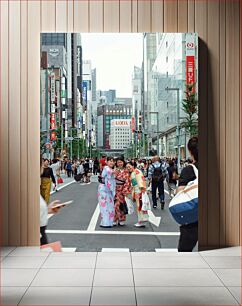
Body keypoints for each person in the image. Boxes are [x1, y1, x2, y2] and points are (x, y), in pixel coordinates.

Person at [176, 136, 198, 252]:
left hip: (192, 218)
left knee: (185, 251)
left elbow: (180, 193)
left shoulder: (189, 170)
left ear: (190, 151)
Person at [126, 162, 148, 227]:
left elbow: (140, 180)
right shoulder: (134, 172)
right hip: (137, 190)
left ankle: (141, 221)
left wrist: (142, 189)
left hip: (139, 190)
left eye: (129, 166)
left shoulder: (136, 172)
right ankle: (142, 220)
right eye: (127, 167)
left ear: (133, 166)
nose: (128, 168)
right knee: (140, 206)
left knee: (140, 206)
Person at [97, 157, 116, 228]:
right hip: (104, 189)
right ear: (106, 162)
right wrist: (114, 171)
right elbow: (110, 172)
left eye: (113, 161)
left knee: (110, 206)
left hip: (108, 190)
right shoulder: (106, 168)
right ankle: (105, 222)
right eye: (110, 161)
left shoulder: (110, 169)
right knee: (105, 206)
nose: (111, 162)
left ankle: (107, 222)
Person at [113, 157, 131, 226]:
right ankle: (115, 218)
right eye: (118, 162)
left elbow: (127, 181)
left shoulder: (126, 171)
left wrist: (125, 190)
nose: (119, 163)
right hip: (115, 189)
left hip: (122, 190)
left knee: (121, 205)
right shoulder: (115, 170)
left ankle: (122, 218)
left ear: (123, 162)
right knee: (115, 205)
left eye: (121, 162)